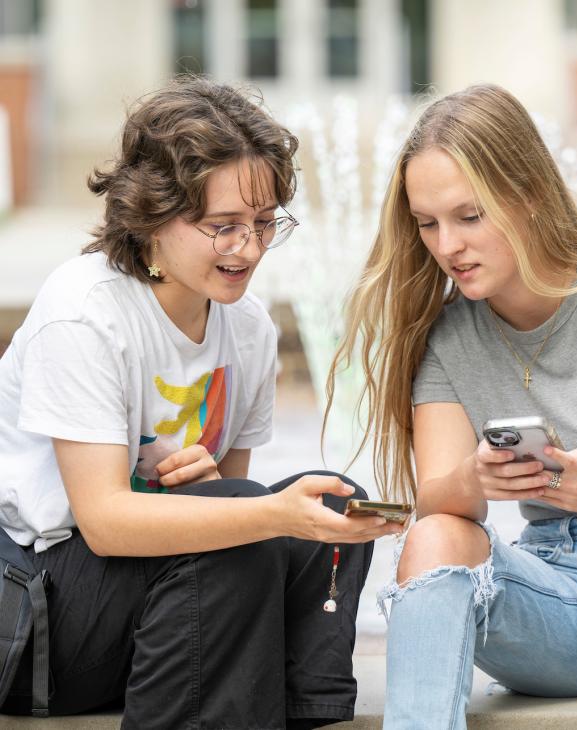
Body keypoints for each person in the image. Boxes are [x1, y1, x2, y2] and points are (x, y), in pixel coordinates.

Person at [0, 76, 403, 729]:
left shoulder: (247, 331)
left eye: (264, 223)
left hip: (146, 617)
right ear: (153, 213)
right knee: (253, 517)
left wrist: (228, 494)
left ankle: (307, 714)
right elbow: (103, 521)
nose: (248, 248)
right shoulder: (84, 312)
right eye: (223, 227)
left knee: (330, 501)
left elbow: (229, 507)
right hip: (38, 625)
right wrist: (251, 510)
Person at [327, 83, 577, 729]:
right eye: (427, 223)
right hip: (558, 606)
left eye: (469, 215)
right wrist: (472, 478)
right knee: (436, 536)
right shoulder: (447, 334)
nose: (446, 245)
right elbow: (438, 501)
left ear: (530, 195)